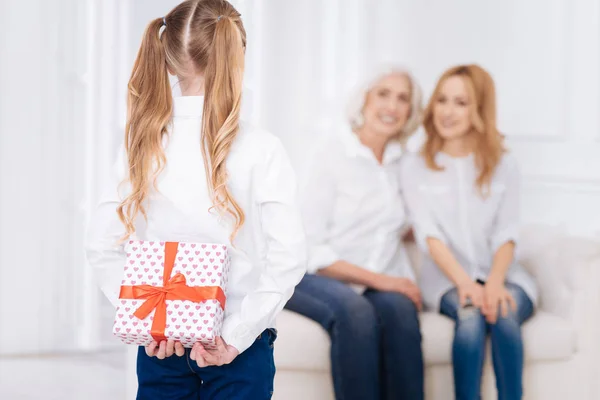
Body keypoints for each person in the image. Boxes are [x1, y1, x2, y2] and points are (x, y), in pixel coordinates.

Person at [85, 1, 306, 399]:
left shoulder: (142, 144)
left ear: (168, 59)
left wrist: (151, 317)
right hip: (240, 348)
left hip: (161, 345)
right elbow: (288, 257)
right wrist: (236, 336)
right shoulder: (263, 149)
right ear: (237, 56)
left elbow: (102, 246)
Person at [284, 66, 425, 400]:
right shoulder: (330, 154)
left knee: (401, 311)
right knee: (355, 312)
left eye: (402, 98)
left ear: (410, 112)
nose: (392, 106)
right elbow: (311, 246)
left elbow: (403, 223)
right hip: (313, 273)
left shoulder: (404, 163)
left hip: (377, 277)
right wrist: (383, 281)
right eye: (383, 94)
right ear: (365, 100)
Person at [400, 64, 538, 400]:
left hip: (504, 276)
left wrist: (493, 283)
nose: (447, 112)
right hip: (448, 281)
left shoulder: (504, 164)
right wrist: (465, 285)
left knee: (503, 315)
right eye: (442, 100)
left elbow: (507, 231)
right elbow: (428, 235)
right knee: (470, 320)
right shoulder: (414, 165)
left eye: (461, 103)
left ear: (480, 109)